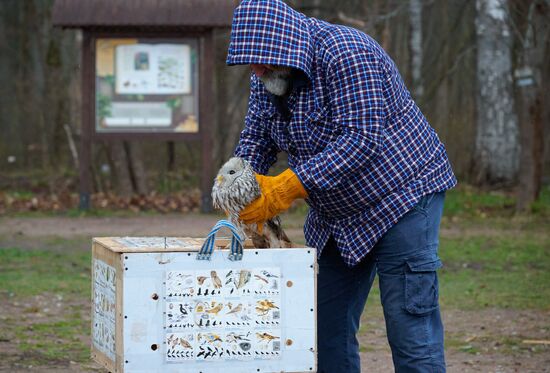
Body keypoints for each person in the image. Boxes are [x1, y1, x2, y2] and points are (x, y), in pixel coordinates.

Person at [226, 0, 457, 372]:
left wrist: (286, 186)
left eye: (262, 60)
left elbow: (360, 139)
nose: (256, 69)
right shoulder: (268, 71)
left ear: (285, 45)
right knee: (321, 327)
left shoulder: (347, 52)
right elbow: (257, 136)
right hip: (337, 211)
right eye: (251, 61)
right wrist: (237, 183)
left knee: (409, 326)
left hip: (402, 196)